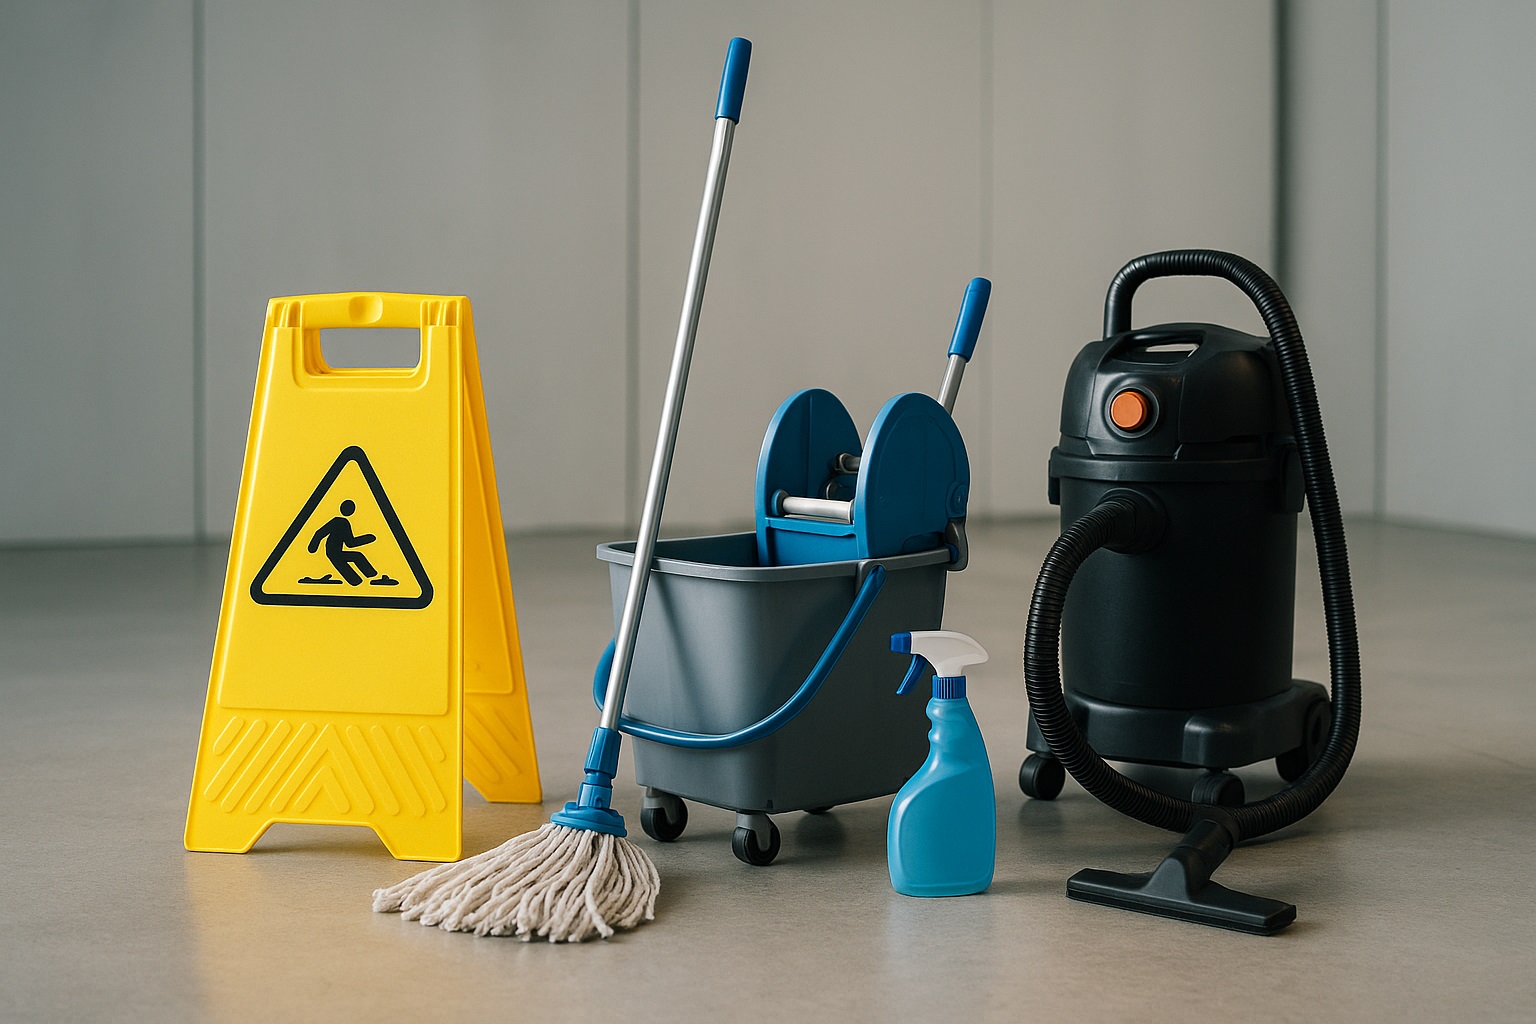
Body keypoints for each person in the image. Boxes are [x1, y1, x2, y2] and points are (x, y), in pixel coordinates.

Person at [307, 499, 378, 585]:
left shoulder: (342, 522)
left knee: (356, 560)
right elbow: (320, 533)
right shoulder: (339, 522)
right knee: (355, 559)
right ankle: (368, 577)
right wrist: (313, 547)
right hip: (333, 552)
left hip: (333, 552)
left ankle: (370, 577)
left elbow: (349, 543)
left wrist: (367, 538)